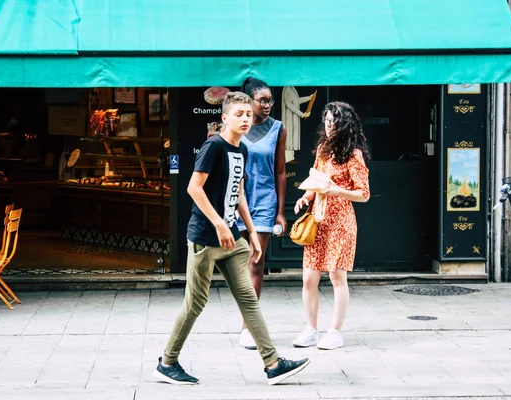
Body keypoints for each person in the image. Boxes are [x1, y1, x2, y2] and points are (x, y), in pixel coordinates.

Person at [154, 91, 310, 386]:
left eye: (249, 114)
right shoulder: (213, 146)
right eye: (239, 114)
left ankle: (273, 363)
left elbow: (237, 192)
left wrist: (249, 230)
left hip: (233, 238)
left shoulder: (243, 150)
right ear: (224, 118)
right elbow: (193, 188)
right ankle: (167, 362)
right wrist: (219, 225)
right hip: (205, 239)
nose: (246, 119)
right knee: (195, 303)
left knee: (248, 300)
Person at [292, 101, 371, 350]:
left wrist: (336, 189)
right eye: (325, 121)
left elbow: (364, 193)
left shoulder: (353, 154)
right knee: (308, 279)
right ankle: (311, 329)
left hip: (341, 222)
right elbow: (316, 180)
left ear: (344, 125)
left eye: (333, 122)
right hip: (318, 219)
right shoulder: (323, 150)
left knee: (337, 277)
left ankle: (335, 331)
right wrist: (305, 197)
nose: (328, 126)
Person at [236, 78, 287, 350]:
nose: (267, 105)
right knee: (239, 263)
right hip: (237, 200)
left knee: (256, 262)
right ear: (249, 101)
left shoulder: (278, 129)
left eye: (270, 101)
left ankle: (248, 326)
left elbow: (280, 171)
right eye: (262, 100)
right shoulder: (237, 127)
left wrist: (280, 212)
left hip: (265, 200)